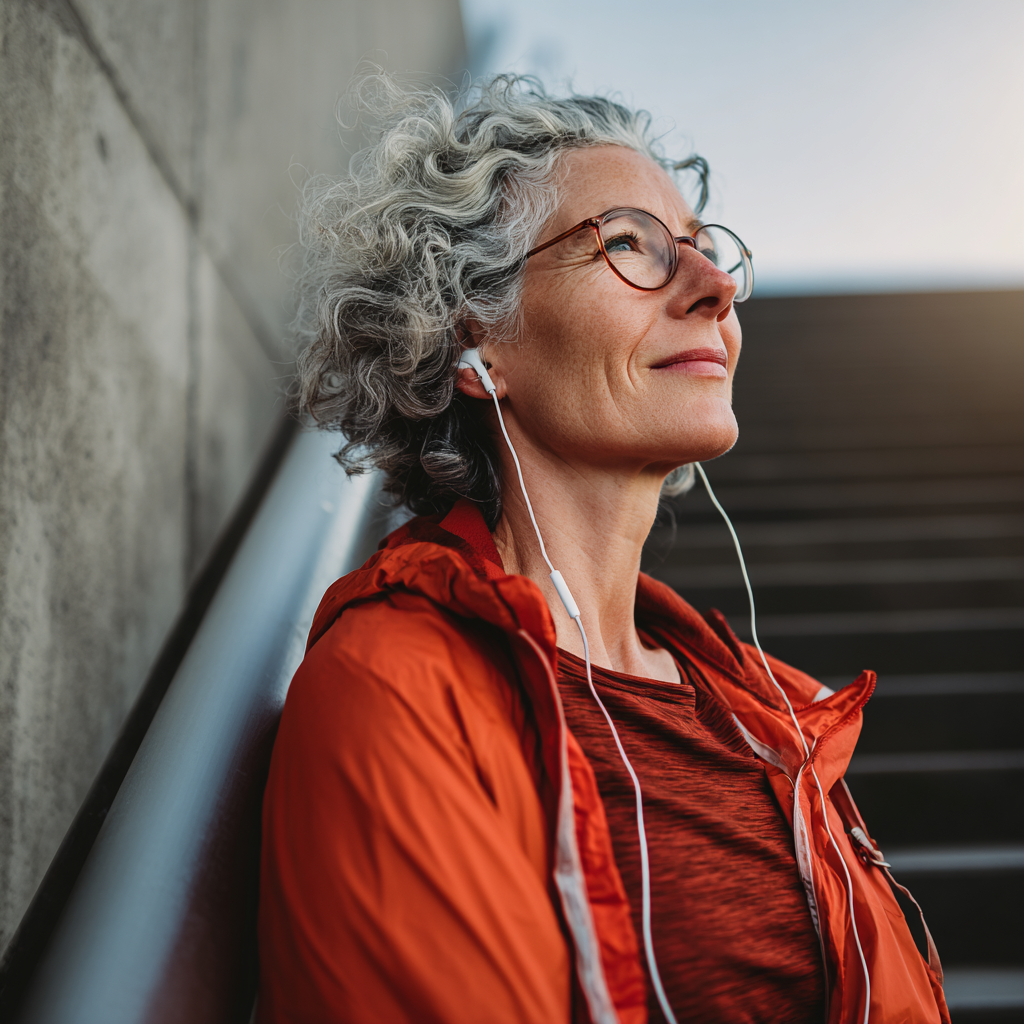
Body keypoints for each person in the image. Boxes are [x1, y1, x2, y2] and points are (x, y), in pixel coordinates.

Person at [257, 74, 949, 1024]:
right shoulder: (395, 688)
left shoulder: (768, 713)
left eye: (708, 254)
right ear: (476, 337)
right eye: (629, 245)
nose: (717, 288)